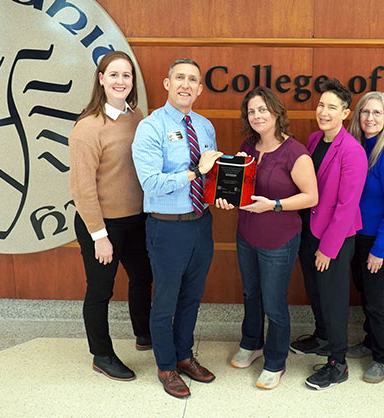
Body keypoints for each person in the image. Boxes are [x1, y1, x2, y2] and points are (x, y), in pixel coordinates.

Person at [132, 58, 223, 399]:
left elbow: (210, 174)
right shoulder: (151, 127)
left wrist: (221, 190)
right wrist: (196, 173)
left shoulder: (204, 126)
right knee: (166, 300)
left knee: (192, 297)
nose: (186, 84)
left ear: (200, 89)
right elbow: (152, 183)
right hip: (167, 228)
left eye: (193, 80)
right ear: (167, 83)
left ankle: (185, 356)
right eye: (179, 78)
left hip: (201, 223)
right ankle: (166, 366)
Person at [216, 87, 318, 389]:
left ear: (276, 112)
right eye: (251, 111)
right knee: (251, 294)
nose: (257, 116)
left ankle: (275, 361)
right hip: (246, 234)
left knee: (274, 303)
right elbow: (240, 187)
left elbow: (311, 197)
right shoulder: (247, 147)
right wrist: (225, 198)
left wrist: (274, 205)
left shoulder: (295, 153)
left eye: (263, 110)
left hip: (279, 240)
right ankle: (252, 343)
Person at [69, 51, 153, 382]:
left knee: (143, 277)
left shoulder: (138, 118)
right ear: (101, 79)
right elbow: (82, 188)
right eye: (114, 75)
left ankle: (144, 333)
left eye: (127, 76)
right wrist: (99, 235)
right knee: (101, 290)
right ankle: (101, 355)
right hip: (103, 225)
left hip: (137, 219)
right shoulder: (87, 128)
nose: (121, 81)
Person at [288, 79, 368, 390]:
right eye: (321, 105)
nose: (323, 111)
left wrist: (329, 249)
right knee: (315, 290)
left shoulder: (352, 151)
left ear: (345, 113)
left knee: (333, 299)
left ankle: (338, 362)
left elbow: (347, 207)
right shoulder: (313, 139)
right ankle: (322, 337)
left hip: (334, 237)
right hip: (310, 230)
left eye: (332, 107)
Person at [345, 91, 384, 384]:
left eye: (377, 113)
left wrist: (379, 250)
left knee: (379, 301)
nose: (370, 118)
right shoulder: (355, 147)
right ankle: (371, 342)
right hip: (357, 235)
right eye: (365, 112)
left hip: (382, 240)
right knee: (366, 295)